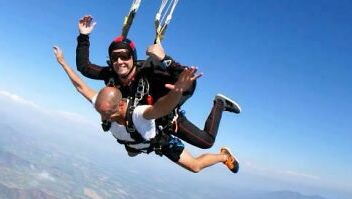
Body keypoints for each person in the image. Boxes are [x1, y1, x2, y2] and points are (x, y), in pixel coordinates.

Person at [54, 46, 239, 173]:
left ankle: (222, 146)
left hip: (160, 133)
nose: (104, 117)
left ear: (119, 106)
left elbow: (161, 107)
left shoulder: (139, 114)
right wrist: (62, 62)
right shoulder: (104, 104)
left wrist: (178, 91)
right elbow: (80, 86)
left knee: (197, 163)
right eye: (101, 112)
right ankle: (136, 146)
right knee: (132, 149)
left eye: (107, 113)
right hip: (140, 136)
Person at [75, 14, 240, 149]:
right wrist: (83, 36)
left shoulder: (149, 72)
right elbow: (85, 67)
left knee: (206, 142)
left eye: (124, 56)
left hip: (165, 114)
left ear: (133, 56)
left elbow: (186, 81)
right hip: (145, 122)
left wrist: (164, 59)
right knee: (133, 149)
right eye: (114, 57)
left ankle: (219, 104)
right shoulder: (111, 74)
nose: (119, 61)